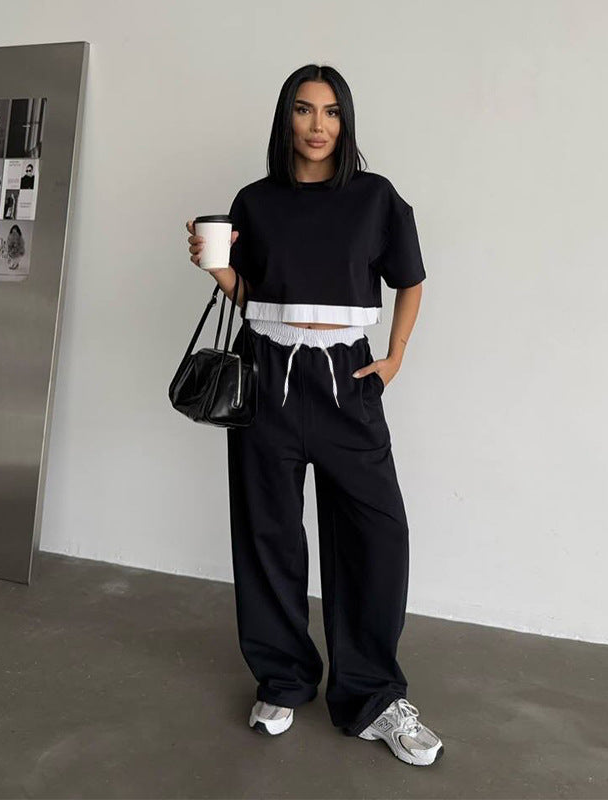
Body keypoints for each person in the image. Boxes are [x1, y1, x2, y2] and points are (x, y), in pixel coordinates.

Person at [185, 64, 442, 768]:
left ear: (345, 120)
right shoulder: (254, 200)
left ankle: (374, 696)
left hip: (345, 380)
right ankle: (283, 679)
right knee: (267, 532)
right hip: (266, 376)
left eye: (330, 111)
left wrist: (394, 357)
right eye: (304, 110)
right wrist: (217, 269)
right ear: (286, 119)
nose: (318, 125)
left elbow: (411, 281)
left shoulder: (375, 197)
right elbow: (256, 295)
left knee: (376, 535)